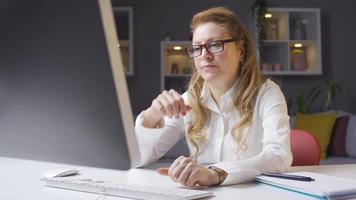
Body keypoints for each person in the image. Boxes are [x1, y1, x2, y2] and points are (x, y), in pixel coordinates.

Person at [134, 7, 292, 187]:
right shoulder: (188, 101)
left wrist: (215, 173)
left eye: (215, 45)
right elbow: (137, 159)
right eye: (197, 48)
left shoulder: (267, 94)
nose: (204, 56)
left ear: (241, 49)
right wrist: (151, 115)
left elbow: (279, 156)